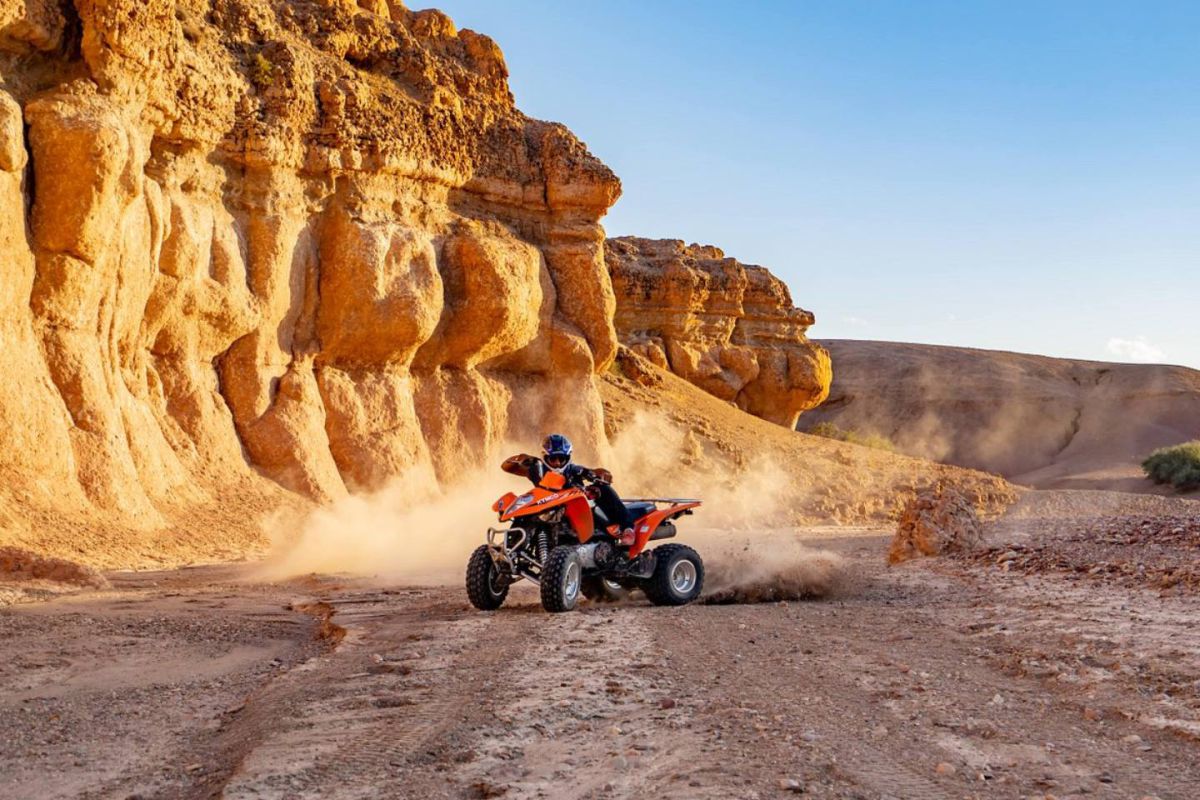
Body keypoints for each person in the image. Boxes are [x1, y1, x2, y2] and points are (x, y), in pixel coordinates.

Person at [501, 434, 637, 545]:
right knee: (524, 509)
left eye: (562, 458)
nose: (557, 463)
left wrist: (596, 474)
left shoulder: (574, 470)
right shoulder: (537, 468)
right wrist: (521, 458)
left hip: (575, 510)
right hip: (545, 507)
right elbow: (506, 467)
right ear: (545, 457)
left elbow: (598, 474)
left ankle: (628, 528)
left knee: (603, 488)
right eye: (553, 458)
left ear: (568, 457)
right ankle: (511, 545)